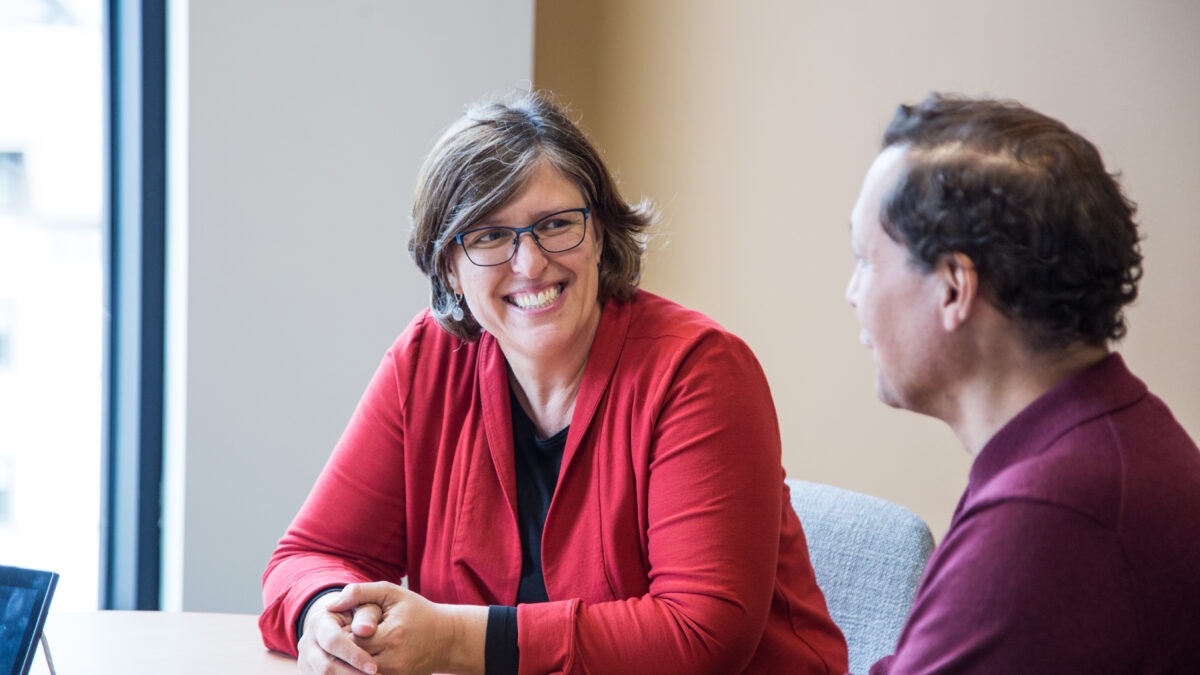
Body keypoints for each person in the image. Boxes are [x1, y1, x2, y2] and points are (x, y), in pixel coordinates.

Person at [259, 90, 848, 675]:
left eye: (556, 224)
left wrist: (454, 640)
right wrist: (326, 617)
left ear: (598, 233)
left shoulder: (698, 370)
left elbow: (700, 635)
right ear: (448, 267)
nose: (530, 263)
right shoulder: (428, 361)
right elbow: (312, 556)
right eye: (489, 236)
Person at [846, 92, 1200, 673]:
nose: (853, 293)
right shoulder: (1098, 440)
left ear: (954, 288)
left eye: (866, 259)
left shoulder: (1049, 512)